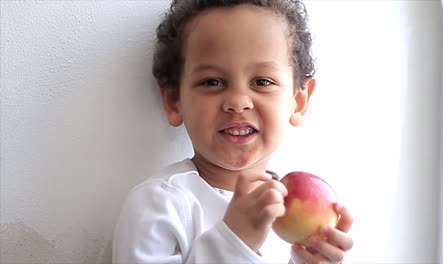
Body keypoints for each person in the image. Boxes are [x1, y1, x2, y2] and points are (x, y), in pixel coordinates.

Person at [112, 0, 354, 263]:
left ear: (299, 101)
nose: (238, 101)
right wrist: (233, 242)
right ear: (173, 100)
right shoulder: (158, 205)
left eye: (262, 82)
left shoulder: (289, 214)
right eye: (212, 82)